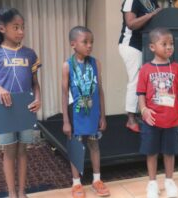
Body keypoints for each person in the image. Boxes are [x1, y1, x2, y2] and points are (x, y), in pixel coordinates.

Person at [0, 8, 42, 198]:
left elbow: (35, 84)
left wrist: (38, 98)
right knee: (9, 151)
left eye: (23, 27)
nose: (21, 31)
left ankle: (22, 191)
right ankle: (12, 193)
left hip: (26, 108)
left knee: (23, 150)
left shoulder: (30, 54)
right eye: (16, 27)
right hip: (4, 110)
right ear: (2, 28)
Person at [137, 27, 178, 198]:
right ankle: (152, 183)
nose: (169, 47)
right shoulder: (145, 69)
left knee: (170, 151)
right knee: (151, 152)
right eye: (164, 44)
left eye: (171, 44)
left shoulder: (177, 69)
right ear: (152, 47)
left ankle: (169, 180)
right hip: (152, 120)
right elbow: (141, 94)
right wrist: (144, 110)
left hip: (171, 120)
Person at [62, 26, 110, 198]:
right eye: (85, 42)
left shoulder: (96, 63)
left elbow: (100, 89)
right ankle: (76, 183)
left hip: (92, 112)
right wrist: (66, 121)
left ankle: (97, 180)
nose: (89, 46)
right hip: (75, 113)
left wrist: (103, 116)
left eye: (91, 42)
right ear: (73, 44)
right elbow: (64, 93)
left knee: (94, 145)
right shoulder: (67, 65)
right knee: (76, 146)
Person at [119, 0, 161, 132]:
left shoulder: (152, 1)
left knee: (146, 81)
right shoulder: (131, 1)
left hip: (147, 46)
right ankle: (131, 119)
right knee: (135, 81)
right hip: (132, 45)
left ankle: (143, 113)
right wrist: (151, 15)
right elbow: (131, 24)